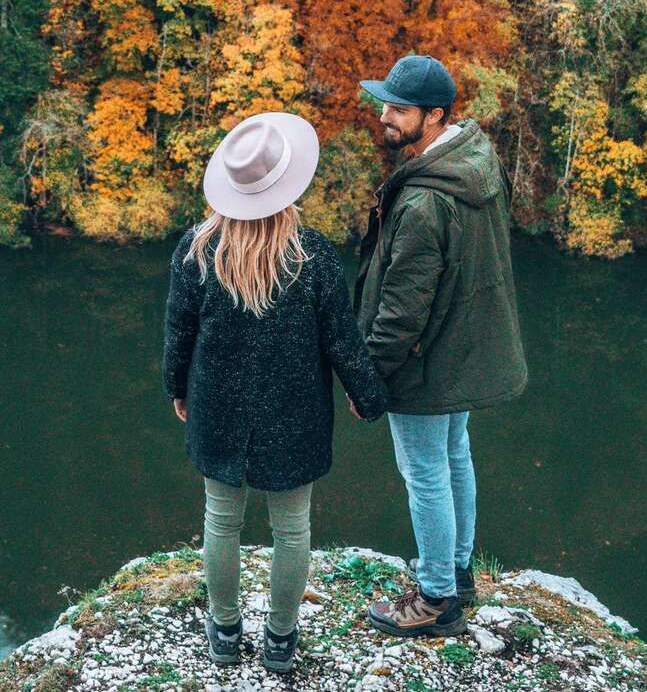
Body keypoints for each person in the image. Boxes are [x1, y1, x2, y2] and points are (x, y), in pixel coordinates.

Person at [163, 111, 389, 674]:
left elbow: (178, 331)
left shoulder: (197, 250)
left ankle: (223, 632)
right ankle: (280, 643)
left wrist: (177, 388)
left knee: (221, 521)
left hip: (217, 406)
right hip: (296, 413)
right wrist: (367, 394)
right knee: (292, 529)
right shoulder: (311, 255)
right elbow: (342, 338)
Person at [353, 54, 528, 639]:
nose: (386, 116)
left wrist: (369, 377)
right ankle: (456, 569)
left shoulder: (427, 199)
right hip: (460, 351)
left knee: (425, 471)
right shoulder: (473, 160)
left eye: (399, 109)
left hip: (425, 361)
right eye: (386, 104)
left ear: (434, 115)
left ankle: (436, 599)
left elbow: (402, 311)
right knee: (455, 455)